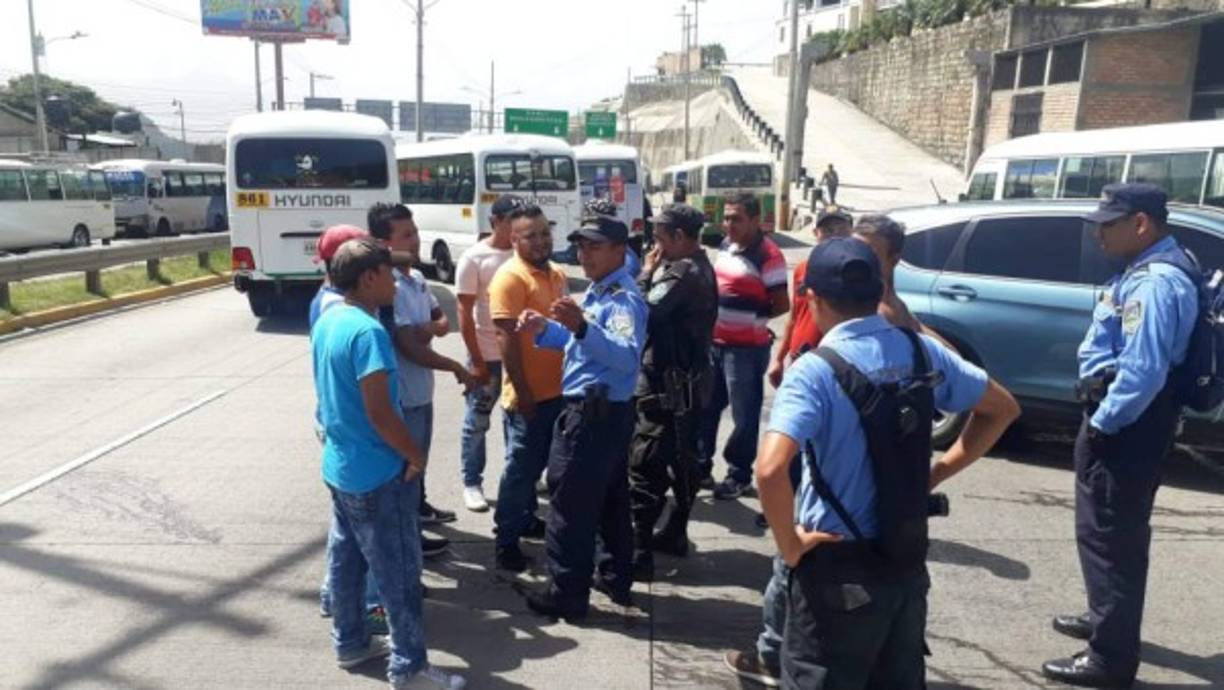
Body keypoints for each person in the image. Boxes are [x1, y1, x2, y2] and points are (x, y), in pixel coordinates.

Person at [757, 237, 1019, 689]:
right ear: (879, 290)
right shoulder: (921, 351)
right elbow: (1002, 408)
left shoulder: (814, 371)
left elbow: (770, 470)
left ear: (812, 299)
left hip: (837, 566)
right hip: (903, 557)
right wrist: (936, 473)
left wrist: (791, 545)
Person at [1043, 184, 1199, 688]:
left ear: (1141, 224)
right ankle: (1105, 617)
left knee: (1111, 539)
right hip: (1135, 421)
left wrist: (1104, 423)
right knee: (1109, 534)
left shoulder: (1154, 284)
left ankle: (1109, 659)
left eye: (1108, 225)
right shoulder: (1149, 269)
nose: (1099, 235)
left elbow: (1143, 370)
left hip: (1128, 425)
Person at [311, 237, 466, 690]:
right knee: (398, 574)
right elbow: (380, 412)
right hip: (377, 472)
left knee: (348, 562)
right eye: (388, 276)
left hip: (341, 466)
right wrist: (414, 454)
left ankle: (351, 641)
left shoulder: (328, 318)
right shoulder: (368, 333)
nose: (396, 284)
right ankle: (409, 667)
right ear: (368, 279)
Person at [518, 214, 647, 620]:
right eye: (580, 246)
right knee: (609, 499)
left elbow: (626, 358)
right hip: (599, 413)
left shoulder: (623, 299)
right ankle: (613, 576)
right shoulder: (599, 290)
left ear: (619, 250)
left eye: (594, 246)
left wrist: (581, 328)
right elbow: (582, 346)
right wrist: (546, 329)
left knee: (569, 505)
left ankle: (566, 594)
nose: (583, 254)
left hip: (593, 416)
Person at [627, 203, 718, 581]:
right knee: (682, 460)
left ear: (679, 237)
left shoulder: (682, 272)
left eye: (660, 238)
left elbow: (642, 312)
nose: (655, 246)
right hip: (686, 382)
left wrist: (645, 273)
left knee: (645, 464)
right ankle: (675, 531)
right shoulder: (699, 266)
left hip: (668, 384)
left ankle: (639, 553)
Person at [368, 203, 467, 528]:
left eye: (415, 232)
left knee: (419, 459)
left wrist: (428, 327)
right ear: (384, 244)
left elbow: (441, 319)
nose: (415, 240)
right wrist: (455, 366)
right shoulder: (388, 286)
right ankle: (410, 533)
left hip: (423, 391)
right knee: (407, 465)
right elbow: (409, 345)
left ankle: (419, 509)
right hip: (404, 396)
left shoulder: (419, 278)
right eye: (406, 235)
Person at [489, 202, 570, 573]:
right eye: (530, 236)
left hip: (560, 393)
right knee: (520, 473)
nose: (540, 241)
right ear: (513, 240)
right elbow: (505, 339)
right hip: (529, 398)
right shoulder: (510, 278)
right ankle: (506, 541)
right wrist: (523, 392)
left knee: (538, 469)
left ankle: (525, 520)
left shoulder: (556, 273)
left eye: (544, 233)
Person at [699, 192, 790, 499]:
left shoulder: (768, 255)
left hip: (746, 351)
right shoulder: (727, 245)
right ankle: (701, 468)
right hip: (715, 344)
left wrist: (750, 317)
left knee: (744, 416)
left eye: (736, 218)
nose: (729, 224)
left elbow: (781, 304)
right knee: (708, 408)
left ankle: (738, 475)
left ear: (755, 220)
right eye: (726, 218)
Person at [454, 195, 517, 512]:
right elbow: (463, 312)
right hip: (487, 357)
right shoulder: (474, 258)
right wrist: (476, 359)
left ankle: (516, 480)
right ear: (495, 222)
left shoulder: (523, 254)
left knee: (517, 421)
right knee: (477, 423)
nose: (518, 226)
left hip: (517, 357)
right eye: (511, 220)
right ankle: (472, 483)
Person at [767, 206, 854, 390]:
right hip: (800, 359)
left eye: (841, 229)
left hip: (836, 363)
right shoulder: (802, 269)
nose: (834, 235)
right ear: (816, 233)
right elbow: (794, 317)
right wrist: (779, 359)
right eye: (828, 230)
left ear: (851, 232)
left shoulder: (856, 272)